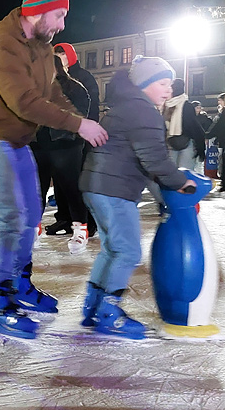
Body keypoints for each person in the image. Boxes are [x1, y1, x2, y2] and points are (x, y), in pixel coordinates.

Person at [0, 0, 107, 339]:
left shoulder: (42, 46)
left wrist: (84, 120)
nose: (62, 24)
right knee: (13, 217)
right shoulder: (1, 47)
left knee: (31, 214)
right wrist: (77, 126)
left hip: (19, 139)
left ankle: (21, 284)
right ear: (37, 12)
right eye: (58, 15)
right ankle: (2, 301)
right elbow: (25, 102)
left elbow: (53, 92)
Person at [79, 56, 195, 338]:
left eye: (170, 84)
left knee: (112, 249)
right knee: (128, 251)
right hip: (114, 189)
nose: (168, 89)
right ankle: (109, 312)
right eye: (162, 83)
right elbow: (154, 159)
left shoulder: (126, 106)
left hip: (97, 186)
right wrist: (183, 183)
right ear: (144, 84)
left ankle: (93, 306)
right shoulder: (144, 112)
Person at [32, 54, 94, 254]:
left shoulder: (75, 88)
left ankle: (80, 229)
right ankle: (33, 229)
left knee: (71, 189)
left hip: (66, 147)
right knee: (36, 190)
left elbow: (80, 115)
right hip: (39, 146)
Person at [45, 42, 99, 244]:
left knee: (78, 182)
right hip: (56, 141)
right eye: (56, 54)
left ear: (69, 56)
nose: (59, 57)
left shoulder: (83, 78)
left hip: (78, 139)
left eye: (61, 53)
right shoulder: (51, 79)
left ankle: (88, 221)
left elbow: (91, 106)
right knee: (60, 182)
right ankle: (65, 218)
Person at [163, 79, 206, 170]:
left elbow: (193, 126)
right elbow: (195, 127)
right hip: (175, 143)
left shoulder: (183, 105)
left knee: (182, 174)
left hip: (182, 143)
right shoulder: (166, 105)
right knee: (176, 174)